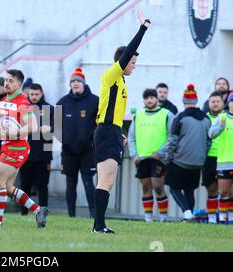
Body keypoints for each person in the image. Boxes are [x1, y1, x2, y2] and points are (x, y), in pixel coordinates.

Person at [92, 11, 151, 234]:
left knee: (109, 181)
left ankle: (99, 225)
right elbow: (127, 53)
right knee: (105, 180)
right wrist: (143, 28)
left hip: (112, 131)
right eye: (132, 61)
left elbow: (112, 111)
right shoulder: (112, 75)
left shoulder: (122, 81)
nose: (134, 65)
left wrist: (119, 131)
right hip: (106, 131)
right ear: (123, 61)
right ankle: (98, 226)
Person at [0, 69, 49, 227]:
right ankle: (38, 211)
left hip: (18, 147)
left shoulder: (23, 102)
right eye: (6, 80)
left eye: (10, 81)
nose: (7, 83)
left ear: (19, 84)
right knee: (8, 187)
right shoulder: (3, 101)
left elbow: (33, 126)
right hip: (6, 146)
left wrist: (15, 132)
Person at [165, 84, 211, 222]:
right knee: (190, 190)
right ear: (196, 101)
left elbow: (172, 140)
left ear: (184, 101)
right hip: (198, 162)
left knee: (174, 188)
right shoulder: (206, 119)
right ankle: (187, 218)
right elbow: (208, 142)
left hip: (180, 160)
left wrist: (168, 158)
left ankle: (187, 212)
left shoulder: (180, 118)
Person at [57, 68, 98, 218]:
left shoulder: (95, 101)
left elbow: (100, 123)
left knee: (89, 183)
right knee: (70, 183)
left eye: (78, 81)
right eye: (73, 81)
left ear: (83, 83)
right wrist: (62, 142)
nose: (75, 84)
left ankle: (94, 214)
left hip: (88, 151)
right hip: (68, 152)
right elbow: (56, 126)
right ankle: (71, 215)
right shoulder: (62, 102)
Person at [128, 89, 173, 222]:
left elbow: (172, 136)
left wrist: (161, 152)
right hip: (141, 159)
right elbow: (131, 137)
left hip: (158, 158)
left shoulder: (167, 114)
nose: (149, 100)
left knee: (158, 187)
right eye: (146, 98)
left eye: (152, 98)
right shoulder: (138, 115)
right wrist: (134, 154)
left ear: (157, 99)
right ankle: (148, 218)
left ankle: (163, 217)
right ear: (143, 100)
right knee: (146, 187)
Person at [19, 83, 54, 215]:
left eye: (36, 94)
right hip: (25, 153)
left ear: (42, 93)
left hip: (44, 153)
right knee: (25, 185)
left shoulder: (50, 109)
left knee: (42, 185)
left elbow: (60, 128)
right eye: (31, 94)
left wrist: (50, 129)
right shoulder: (23, 109)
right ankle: (24, 212)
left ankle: (43, 212)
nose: (34, 97)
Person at [208, 91, 233, 224]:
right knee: (224, 192)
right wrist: (221, 128)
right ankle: (223, 219)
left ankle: (232, 219)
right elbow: (211, 134)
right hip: (224, 161)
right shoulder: (222, 117)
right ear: (228, 103)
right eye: (232, 101)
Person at [202, 91, 225, 223]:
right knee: (211, 189)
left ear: (223, 103)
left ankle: (225, 218)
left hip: (225, 157)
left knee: (226, 191)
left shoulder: (227, 117)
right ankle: (211, 219)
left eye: (218, 101)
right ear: (209, 103)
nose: (215, 104)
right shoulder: (204, 118)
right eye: (213, 101)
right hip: (209, 158)